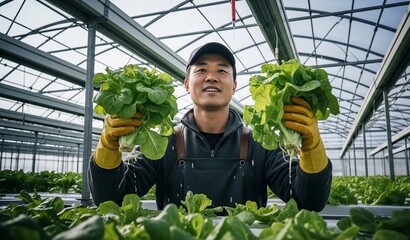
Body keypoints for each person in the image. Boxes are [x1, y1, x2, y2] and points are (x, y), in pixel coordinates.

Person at [88, 42, 332, 212]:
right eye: (201, 69)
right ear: (186, 84)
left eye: (222, 71)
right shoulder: (164, 142)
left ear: (234, 85)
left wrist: (313, 148)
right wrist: (107, 147)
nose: (211, 76)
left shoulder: (260, 141)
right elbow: (112, 199)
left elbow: (307, 202)